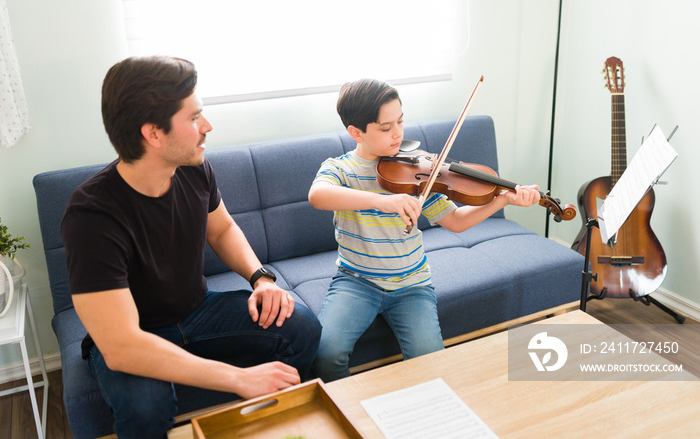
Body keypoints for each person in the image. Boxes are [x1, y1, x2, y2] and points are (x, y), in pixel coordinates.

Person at [61, 56, 321, 437]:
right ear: (153, 133)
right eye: (195, 117)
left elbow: (222, 229)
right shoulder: (91, 215)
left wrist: (261, 279)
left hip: (198, 311)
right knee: (145, 406)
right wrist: (238, 378)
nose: (208, 127)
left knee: (300, 326)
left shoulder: (193, 167)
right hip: (136, 335)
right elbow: (120, 346)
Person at [308, 78, 540, 382]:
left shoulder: (414, 170)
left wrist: (502, 200)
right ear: (356, 132)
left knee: (431, 367)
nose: (398, 133)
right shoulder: (340, 170)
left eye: (401, 121)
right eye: (385, 127)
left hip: (412, 285)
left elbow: (456, 221)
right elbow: (318, 195)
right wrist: (384, 203)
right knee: (325, 355)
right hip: (357, 281)